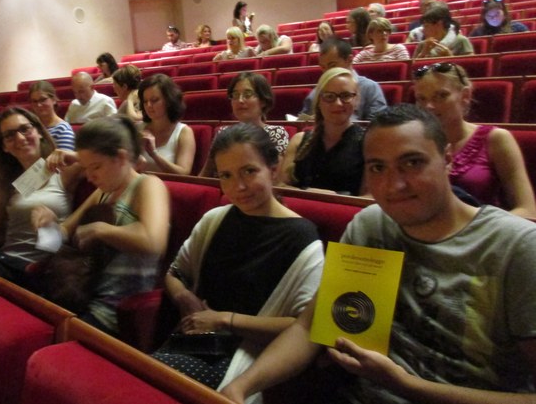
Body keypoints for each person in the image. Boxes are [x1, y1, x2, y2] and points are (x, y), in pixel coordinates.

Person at [221, 104, 536, 404]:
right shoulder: (372, 226)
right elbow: (309, 327)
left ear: (448, 159)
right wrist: (242, 386)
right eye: (377, 167)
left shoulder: (517, 248)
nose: (393, 184)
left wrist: (405, 385)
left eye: (412, 163)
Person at [152, 123, 324, 399]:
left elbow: (302, 326)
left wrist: (224, 320)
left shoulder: (303, 238)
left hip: (245, 360)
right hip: (194, 343)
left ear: (274, 169)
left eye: (249, 171)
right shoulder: (215, 219)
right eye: (226, 175)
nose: (238, 187)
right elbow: (174, 273)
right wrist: (184, 296)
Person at [33, 116, 171, 335]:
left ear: (121, 157)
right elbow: (62, 235)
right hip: (81, 299)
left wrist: (101, 230)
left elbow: (154, 242)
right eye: (86, 168)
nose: (89, 177)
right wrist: (48, 225)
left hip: (112, 314)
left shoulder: (148, 185)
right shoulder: (103, 192)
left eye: (96, 167)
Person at [0, 108, 84, 280]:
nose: (20, 138)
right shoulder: (8, 181)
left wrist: (74, 155)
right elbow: (0, 229)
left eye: (25, 129)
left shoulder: (63, 170)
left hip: (40, 270)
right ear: (5, 147)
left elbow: (109, 161)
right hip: (5, 263)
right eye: (10, 135)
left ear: (39, 132)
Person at [413, 63, 536, 218]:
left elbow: (528, 210)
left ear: (465, 96)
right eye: (421, 99)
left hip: (486, 230)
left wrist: (472, 228)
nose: (428, 106)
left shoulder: (496, 139)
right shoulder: (414, 142)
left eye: (441, 95)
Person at [283, 68, 365, 196]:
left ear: (357, 100)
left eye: (346, 96)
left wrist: (332, 198)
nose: (338, 103)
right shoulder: (298, 141)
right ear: (319, 101)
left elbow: (369, 197)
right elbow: (281, 186)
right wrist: (313, 194)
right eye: (329, 97)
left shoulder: (368, 144)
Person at [199, 72, 290, 177]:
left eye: (248, 94)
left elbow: (277, 179)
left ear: (263, 101)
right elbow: (205, 176)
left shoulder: (276, 133)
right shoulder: (223, 132)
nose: (240, 100)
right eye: (235, 95)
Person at [300, 38, 387, 121]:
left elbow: (378, 127)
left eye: (332, 65)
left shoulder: (370, 88)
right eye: (323, 67)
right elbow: (303, 123)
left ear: (349, 60)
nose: (327, 72)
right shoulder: (316, 93)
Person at [138, 74, 196, 175]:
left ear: (169, 100)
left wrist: (154, 154)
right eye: (145, 101)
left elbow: (183, 173)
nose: (148, 105)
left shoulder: (184, 132)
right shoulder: (137, 128)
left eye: (154, 100)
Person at [28, 81, 75, 150]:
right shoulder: (30, 127)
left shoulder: (63, 129)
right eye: (35, 101)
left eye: (43, 100)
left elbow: (64, 156)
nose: (39, 105)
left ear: (54, 100)